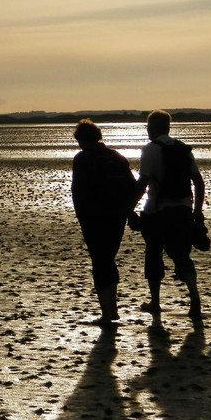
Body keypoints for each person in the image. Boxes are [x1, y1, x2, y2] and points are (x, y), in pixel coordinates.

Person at [132, 110, 205, 319]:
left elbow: (143, 183)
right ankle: (194, 299)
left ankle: (155, 302)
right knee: (182, 255)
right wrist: (197, 211)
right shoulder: (183, 149)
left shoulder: (150, 150)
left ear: (151, 128)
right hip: (182, 210)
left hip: (156, 211)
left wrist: (128, 207)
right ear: (168, 127)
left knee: (153, 254)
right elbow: (198, 182)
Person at [71, 118, 136, 326]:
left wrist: (81, 216)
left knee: (100, 261)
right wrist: (129, 212)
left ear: (81, 140)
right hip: (116, 216)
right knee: (108, 258)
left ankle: (106, 313)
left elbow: (78, 191)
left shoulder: (82, 158)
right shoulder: (117, 157)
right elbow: (132, 187)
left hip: (93, 217)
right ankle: (113, 309)